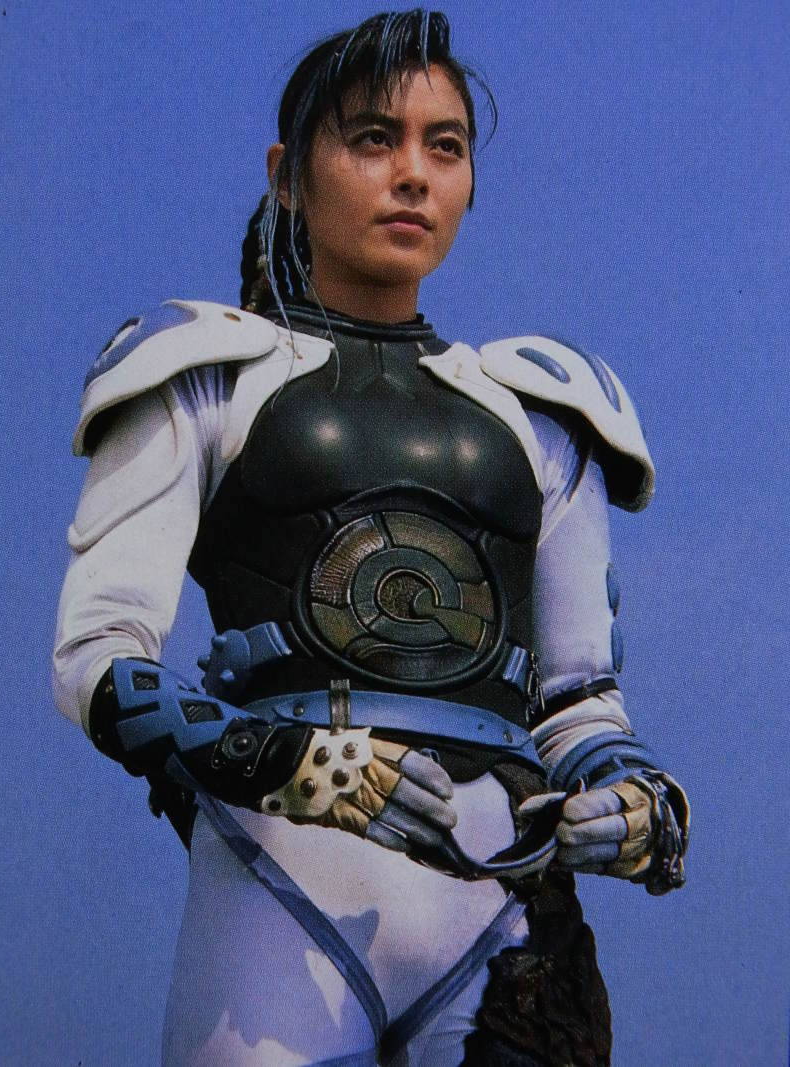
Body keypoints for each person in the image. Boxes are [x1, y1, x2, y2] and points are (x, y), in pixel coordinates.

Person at [53, 10, 689, 1066]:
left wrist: (635, 801)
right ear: (287, 174)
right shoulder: (204, 378)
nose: (412, 175)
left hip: (503, 908)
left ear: (470, 182)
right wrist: (301, 764)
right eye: (371, 138)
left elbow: (579, 701)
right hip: (277, 891)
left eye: (445, 146)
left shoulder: (543, 414)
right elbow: (97, 660)